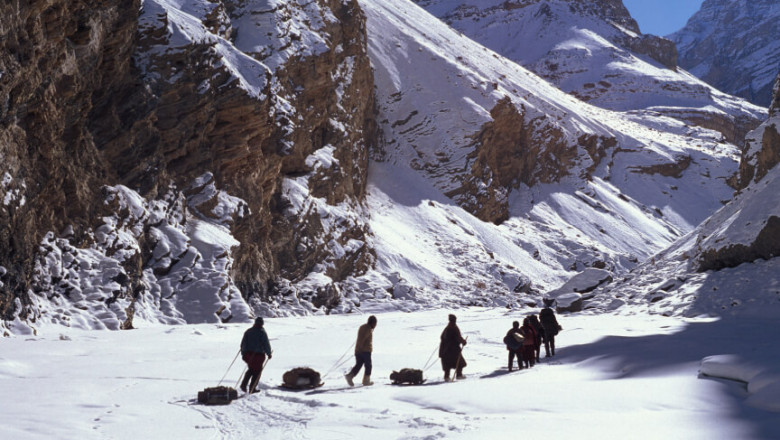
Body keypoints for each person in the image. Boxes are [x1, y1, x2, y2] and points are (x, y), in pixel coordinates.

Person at [240, 317, 272, 393]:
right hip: (258, 355)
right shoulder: (262, 332)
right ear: (262, 323)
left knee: (251, 369)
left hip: (248, 355)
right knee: (257, 372)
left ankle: (244, 385)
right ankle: (252, 388)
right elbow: (266, 344)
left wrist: (243, 353)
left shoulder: (248, 331)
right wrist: (269, 353)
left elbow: (243, 344)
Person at [345, 315, 377, 386]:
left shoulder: (363, 327)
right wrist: (360, 349)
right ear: (373, 323)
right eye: (375, 323)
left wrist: (357, 350)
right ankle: (366, 381)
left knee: (359, 364)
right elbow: (362, 339)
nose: (375, 325)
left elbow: (360, 339)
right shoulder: (368, 329)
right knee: (368, 365)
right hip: (365, 350)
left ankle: (350, 376)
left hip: (359, 350)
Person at [439, 314, 467, 381]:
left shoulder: (447, 327)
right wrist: (463, 342)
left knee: (447, 363)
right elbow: (458, 337)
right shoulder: (453, 327)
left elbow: (442, 337)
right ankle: (459, 375)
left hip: (445, 349)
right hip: (453, 349)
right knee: (459, 362)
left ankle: (446, 377)